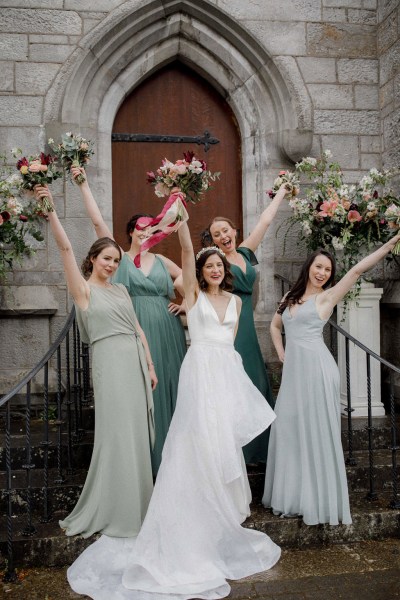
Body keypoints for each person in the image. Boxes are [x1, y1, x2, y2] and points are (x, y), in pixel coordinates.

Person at [65, 221, 280, 600]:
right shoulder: (193, 294)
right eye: (209, 265)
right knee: (195, 437)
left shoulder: (235, 301)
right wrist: (182, 224)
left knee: (223, 440)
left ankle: (226, 505)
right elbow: (184, 254)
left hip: (225, 374)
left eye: (219, 266)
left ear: (225, 271)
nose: (215, 269)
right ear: (200, 272)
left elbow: (228, 345)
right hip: (199, 371)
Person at [34, 184, 157, 538]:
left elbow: (137, 328)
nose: (112, 264)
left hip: (134, 363)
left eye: (116, 261)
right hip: (109, 364)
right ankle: (115, 505)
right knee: (115, 433)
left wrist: (149, 365)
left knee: (134, 433)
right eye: (107, 259)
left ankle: (139, 502)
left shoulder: (121, 289)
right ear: (93, 260)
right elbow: (65, 246)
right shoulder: (84, 291)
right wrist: (52, 210)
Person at [262, 234, 400, 526]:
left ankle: (317, 499)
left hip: (318, 371)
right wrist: (282, 353)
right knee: (287, 427)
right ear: (308, 267)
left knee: (315, 432)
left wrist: (388, 246)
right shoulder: (289, 298)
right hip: (294, 373)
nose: (322, 272)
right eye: (318, 266)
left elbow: (357, 270)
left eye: (327, 269)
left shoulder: (327, 297)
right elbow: (275, 327)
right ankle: (294, 495)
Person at [70, 166, 187, 474]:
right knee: (142, 396)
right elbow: (97, 222)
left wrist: (186, 304)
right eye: (140, 226)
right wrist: (82, 184)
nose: (146, 230)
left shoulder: (162, 260)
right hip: (133, 332)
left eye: (151, 226)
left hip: (167, 330)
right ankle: (142, 465)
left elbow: (194, 276)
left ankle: (174, 463)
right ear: (131, 231)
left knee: (170, 389)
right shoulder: (117, 259)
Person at [203, 183, 289, 464]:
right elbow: (198, 288)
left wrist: (282, 194)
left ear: (234, 232)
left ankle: (261, 449)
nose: (222, 236)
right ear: (213, 241)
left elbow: (265, 221)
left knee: (253, 378)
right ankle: (232, 451)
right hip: (228, 325)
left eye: (225, 231)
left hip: (248, 325)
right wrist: (184, 305)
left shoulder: (246, 253)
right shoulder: (214, 262)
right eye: (217, 235)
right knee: (231, 381)